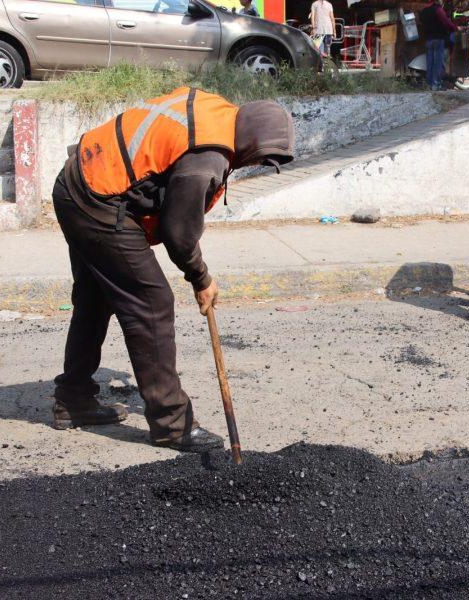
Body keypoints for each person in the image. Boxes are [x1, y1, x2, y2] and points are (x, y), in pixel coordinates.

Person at [51, 87, 294, 452]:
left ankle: (74, 400)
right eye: (260, 159)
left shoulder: (217, 113)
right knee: (152, 303)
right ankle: (172, 424)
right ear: (252, 142)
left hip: (78, 183)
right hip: (96, 200)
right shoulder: (206, 159)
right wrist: (201, 277)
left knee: (96, 297)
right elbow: (178, 234)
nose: (254, 164)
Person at [421, 0, 459, 91]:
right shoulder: (437, 9)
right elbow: (446, 22)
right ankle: (436, 84)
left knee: (429, 63)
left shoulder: (423, 11)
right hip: (438, 39)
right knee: (437, 63)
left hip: (428, 40)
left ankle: (429, 84)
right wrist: (455, 28)